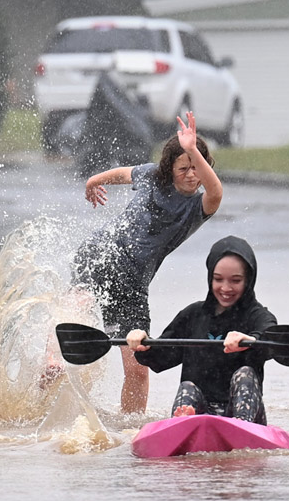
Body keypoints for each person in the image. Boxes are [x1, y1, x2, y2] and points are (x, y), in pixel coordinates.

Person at [70, 112, 223, 413]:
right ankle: (50, 369)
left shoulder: (199, 206)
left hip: (133, 284)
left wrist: (192, 150)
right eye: (184, 168)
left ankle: (130, 430)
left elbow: (216, 189)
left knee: (139, 366)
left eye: (197, 168)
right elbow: (124, 173)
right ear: (169, 168)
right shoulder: (152, 175)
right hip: (99, 256)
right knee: (78, 311)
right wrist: (93, 181)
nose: (192, 175)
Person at [125, 236, 275, 425]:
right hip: (201, 412)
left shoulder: (258, 316)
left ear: (248, 280)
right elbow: (160, 358)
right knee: (188, 387)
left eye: (235, 280)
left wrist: (250, 341)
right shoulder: (193, 315)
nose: (226, 288)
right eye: (218, 279)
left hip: (245, 417)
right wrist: (142, 343)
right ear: (210, 277)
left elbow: (271, 339)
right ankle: (184, 423)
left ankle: (239, 426)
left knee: (245, 374)